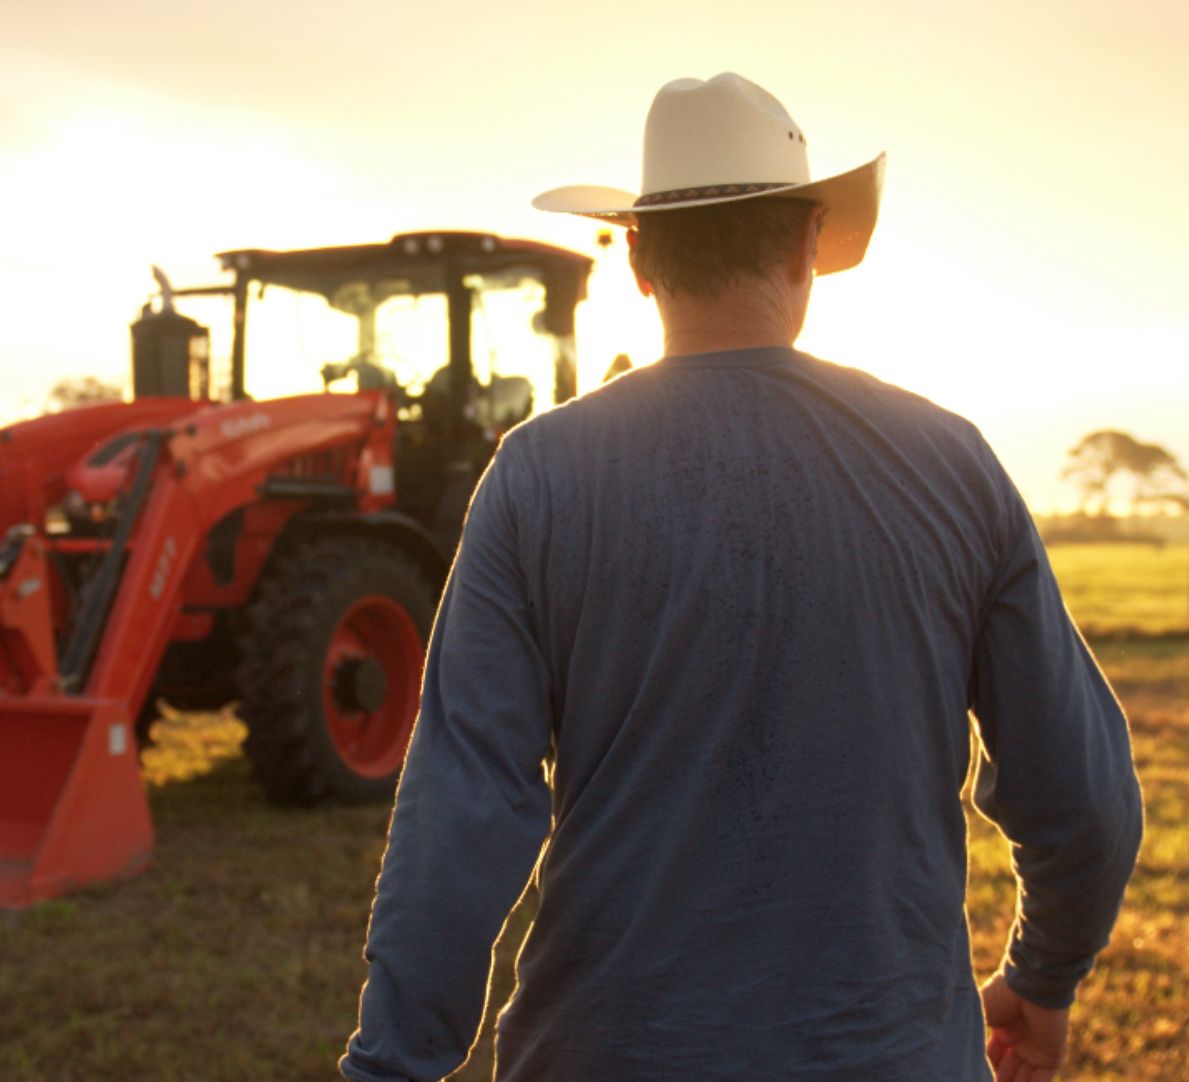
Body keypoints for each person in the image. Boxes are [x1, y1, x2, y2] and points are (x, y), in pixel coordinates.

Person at [341, 72, 1143, 1082]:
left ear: (636, 256)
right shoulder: (951, 465)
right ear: (809, 241)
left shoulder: (538, 477)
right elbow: (1086, 801)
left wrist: (392, 1064)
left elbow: (460, 809)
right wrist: (1042, 972)